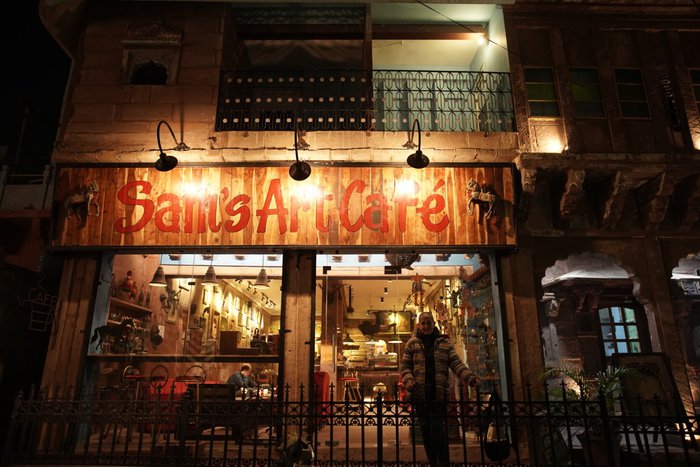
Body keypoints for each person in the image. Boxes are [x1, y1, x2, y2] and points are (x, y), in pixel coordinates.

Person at [400, 311, 480, 467]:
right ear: (419, 325)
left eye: (428, 323)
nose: (426, 326)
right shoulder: (412, 344)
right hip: (420, 395)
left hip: (438, 394)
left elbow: (456, 364)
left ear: (433, 324)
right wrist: (409, 380)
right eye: (423, 323)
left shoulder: (444, 344)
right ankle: (433, 462)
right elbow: (405, 366)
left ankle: (443, 462)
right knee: (426, 432)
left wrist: (470, 378)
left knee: (439, 430)